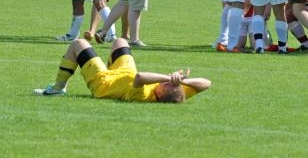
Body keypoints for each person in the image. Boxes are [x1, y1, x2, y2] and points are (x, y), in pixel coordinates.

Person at [33, 38, 211, 102]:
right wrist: (182, 81)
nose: (167, 82)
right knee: (120, 41)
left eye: (167, 83)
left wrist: (167, 76)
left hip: (105, 83)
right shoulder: (178, 91)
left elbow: (140, 77)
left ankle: (58, 88)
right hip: (125, 73)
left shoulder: (143, 96)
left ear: (160, 92)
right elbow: (207, 84)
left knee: (78, 44)